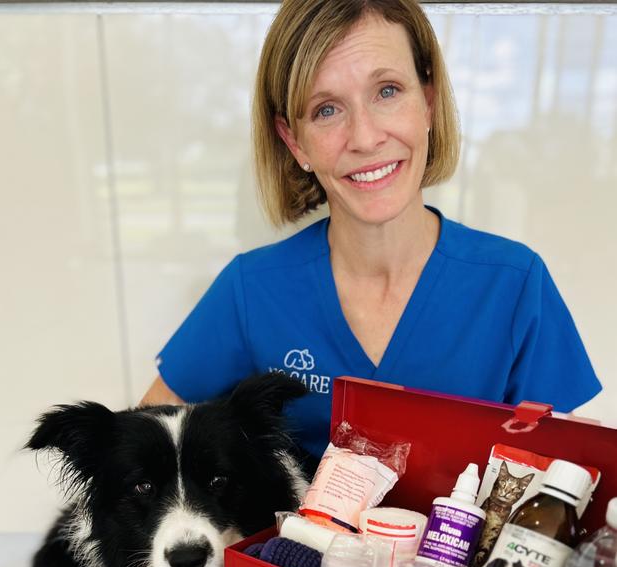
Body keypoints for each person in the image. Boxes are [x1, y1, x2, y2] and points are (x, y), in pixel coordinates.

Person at [141, 0, 601, 457]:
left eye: (387, 91)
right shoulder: (251, 291)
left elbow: (569, 481)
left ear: (428, 102)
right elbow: (141, 455)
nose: (365, 138)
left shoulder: (515, 285)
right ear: (293, 140)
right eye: (326, 110)